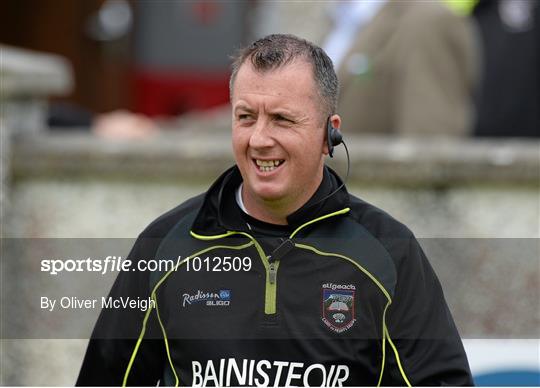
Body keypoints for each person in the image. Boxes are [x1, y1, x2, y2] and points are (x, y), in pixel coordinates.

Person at [77, 34, 473, 386]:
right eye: (246, 117)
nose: (260, 140)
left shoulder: (389, 252)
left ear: (328, 134)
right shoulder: (166, 244)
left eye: (282, 119)